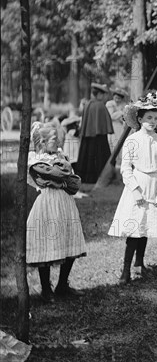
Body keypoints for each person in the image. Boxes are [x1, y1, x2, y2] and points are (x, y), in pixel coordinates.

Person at [108, 91, 157, 284]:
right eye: (148, 118)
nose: (152, 121)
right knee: (135, 228)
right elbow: (126, 168)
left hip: (154, 184)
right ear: (139, 119)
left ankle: (140, 263)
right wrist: (135, 189)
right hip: (138, 184)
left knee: (146, 226)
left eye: (155, 118)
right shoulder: (132, 140)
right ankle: (126, 269)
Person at [27, 121, 86, 302]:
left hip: (65, 203)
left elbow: (74, 183)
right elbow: (56, 175)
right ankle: (46, 289)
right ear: (43, 141)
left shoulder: (61, 156)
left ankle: (62, 285)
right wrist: (60, 176)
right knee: (47, 241)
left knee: (69, 238)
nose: (57, 141)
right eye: (53, 138)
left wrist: (60, 177)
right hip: (47, 203)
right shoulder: (36, 160)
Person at [76, 83, 114, 183]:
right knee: (100, 157)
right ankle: (100, 177)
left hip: (87, 137)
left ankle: (86, 178)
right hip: (99, 137)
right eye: (103, 94)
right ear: (100, 95)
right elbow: (104, 123)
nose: (105, 97)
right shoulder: (100, 106)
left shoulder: (88, 104)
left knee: (87, 157)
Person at [105, 88, 128, 166]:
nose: (117, 100)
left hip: (120, 127)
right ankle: (112, 164)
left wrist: (122, 116)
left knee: (120, 145)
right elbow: (111, 116)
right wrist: (121, 112)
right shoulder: (110, 104)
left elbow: (124, 117)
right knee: (112, 145)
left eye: (119, 98)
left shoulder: (123, 105)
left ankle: (119, 164)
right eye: (116, 97)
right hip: (112, 127)